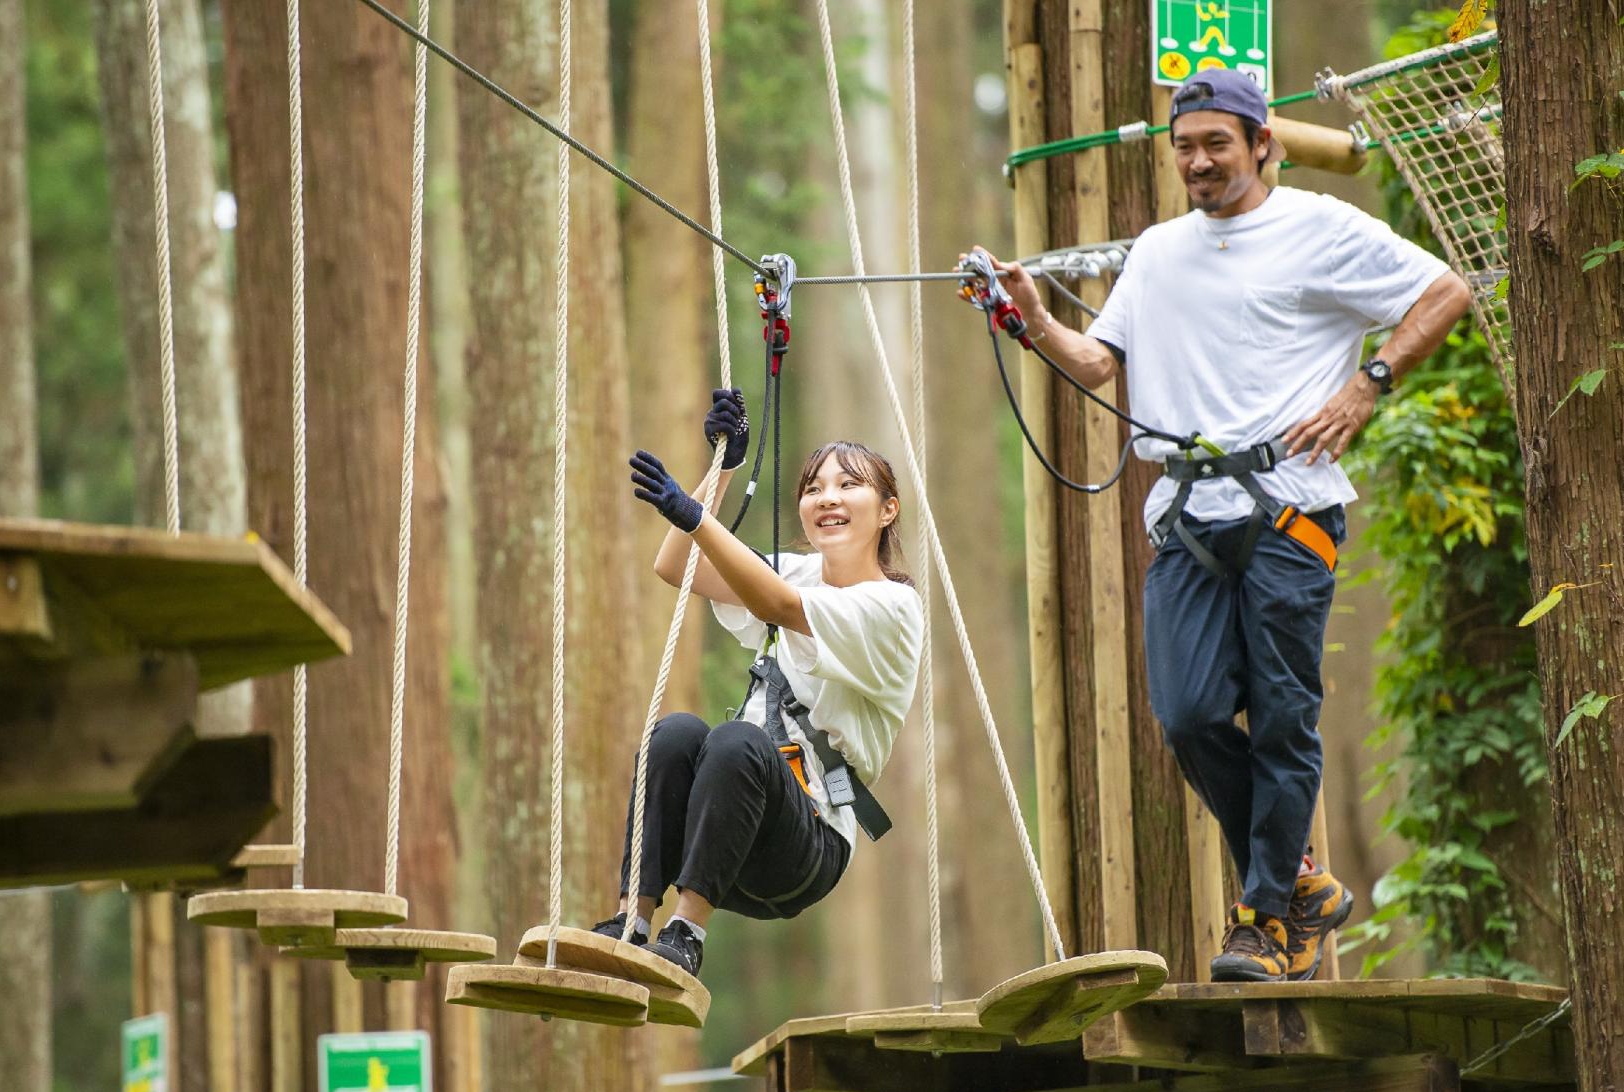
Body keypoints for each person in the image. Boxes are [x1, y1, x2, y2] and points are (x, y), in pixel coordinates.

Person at [977, 69, 1471, 982]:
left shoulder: (1319, 227)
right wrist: (1033, 318)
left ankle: (1262, 920)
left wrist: (1369, 382)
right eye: (1185, 147)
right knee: (1188, 711)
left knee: (1284, 719)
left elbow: (1444, 291)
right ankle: (1299, 883)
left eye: (1216, 143)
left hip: (1291, 506)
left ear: (1262, 145)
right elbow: (1095, 363)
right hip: (1186, 515)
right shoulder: (1158, 252)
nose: (1198, 161)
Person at [592, 390, 924, 978]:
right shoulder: (797, 571)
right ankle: (633, 921)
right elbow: (676, 567)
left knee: (737, 742)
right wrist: (721, 472)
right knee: (675, 734)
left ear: (888, 509)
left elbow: (777, 601)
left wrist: (696, 520)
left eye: (849, 485)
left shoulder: (893, 606)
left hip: (806, 846)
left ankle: (686, 933)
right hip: (726, 835)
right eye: (814, 488)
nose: (828, 499)